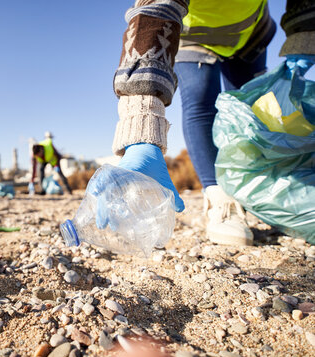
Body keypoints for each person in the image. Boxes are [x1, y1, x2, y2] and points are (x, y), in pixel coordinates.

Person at [104, 0, 314, 246]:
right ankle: (220, 198)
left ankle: (254, 191)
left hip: (249, 35)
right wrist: (140, 128)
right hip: (194, 36)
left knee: (248, 110)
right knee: (201, 102)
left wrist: (306, 30)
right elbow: (151, 18)